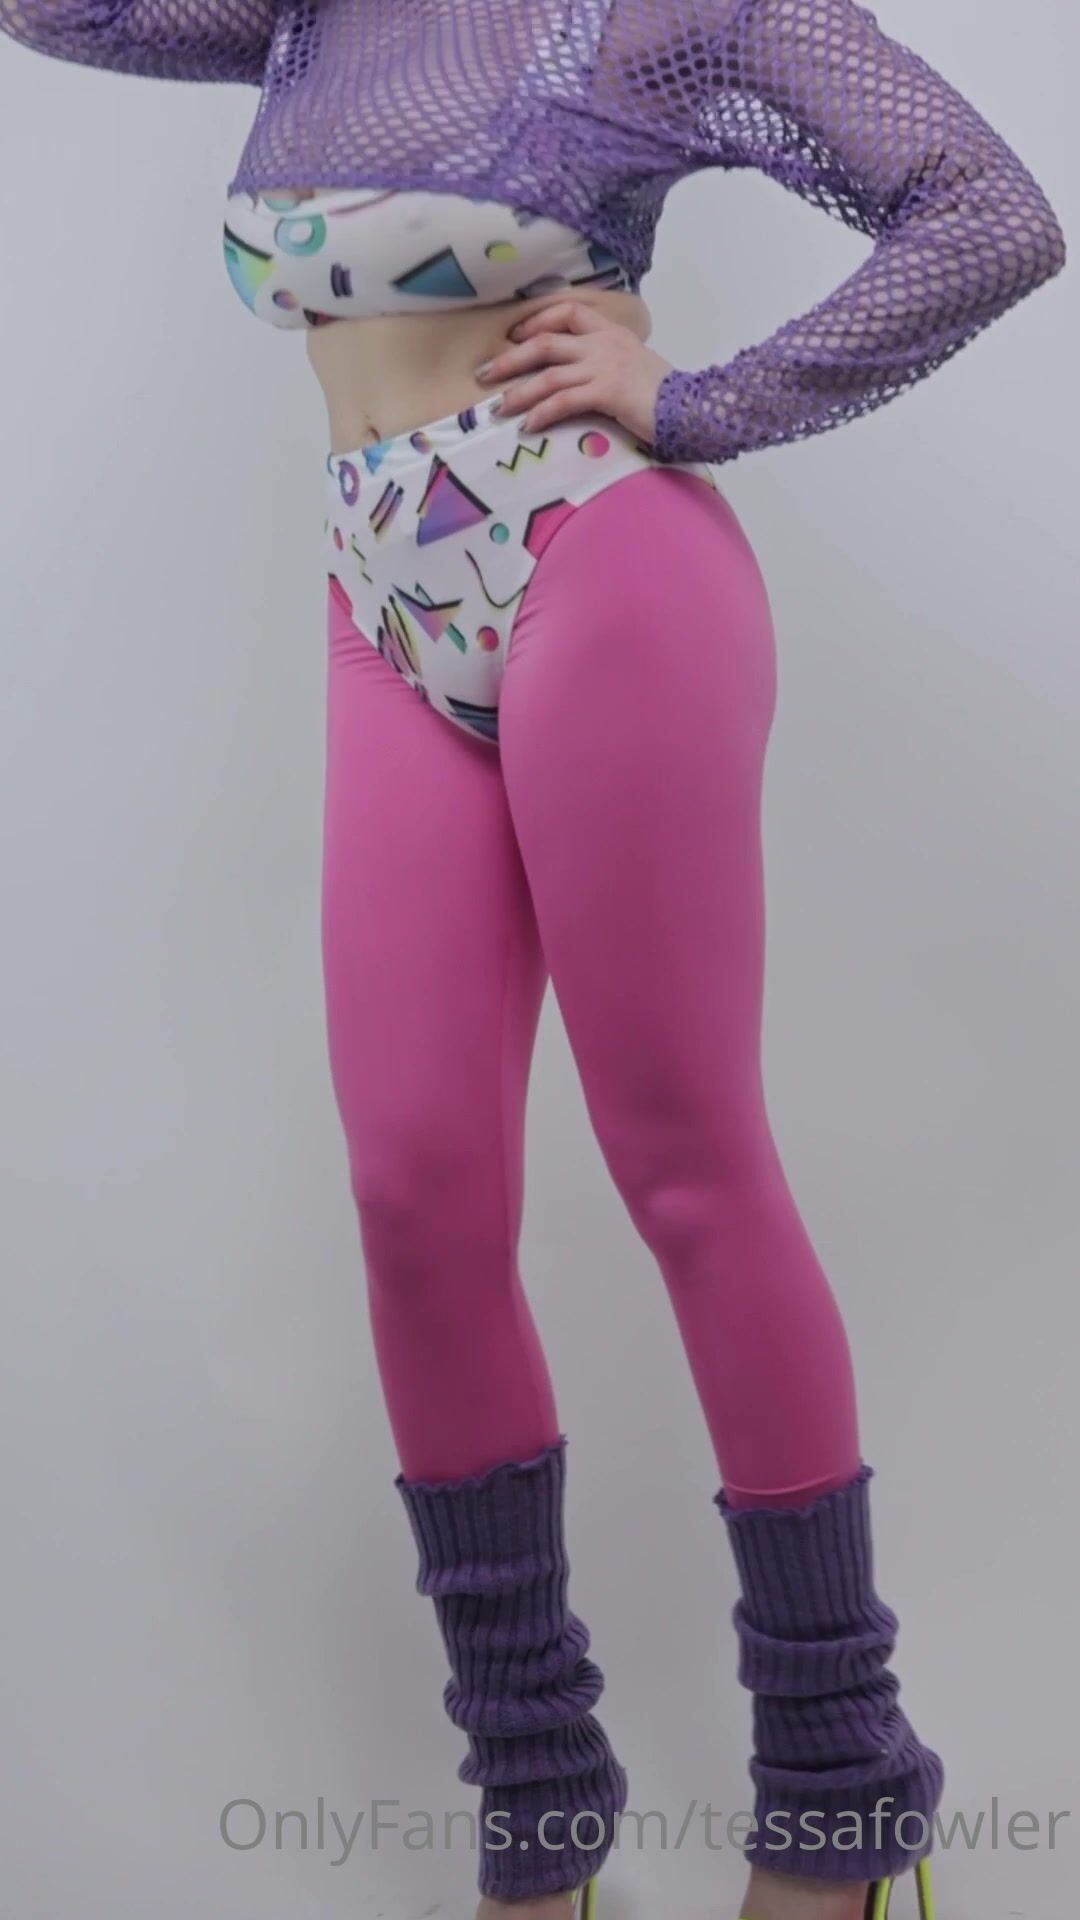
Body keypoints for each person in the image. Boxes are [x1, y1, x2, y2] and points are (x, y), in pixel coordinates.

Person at [0, 4, 1065, 1918]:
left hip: (603, 561)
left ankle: (840, 1796)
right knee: (415, 1192)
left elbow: (989, 213)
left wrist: (707, 399)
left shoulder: (659, 11)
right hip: (382, 595)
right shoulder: (312, 14)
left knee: (686, 1166)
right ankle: (540, 1807)